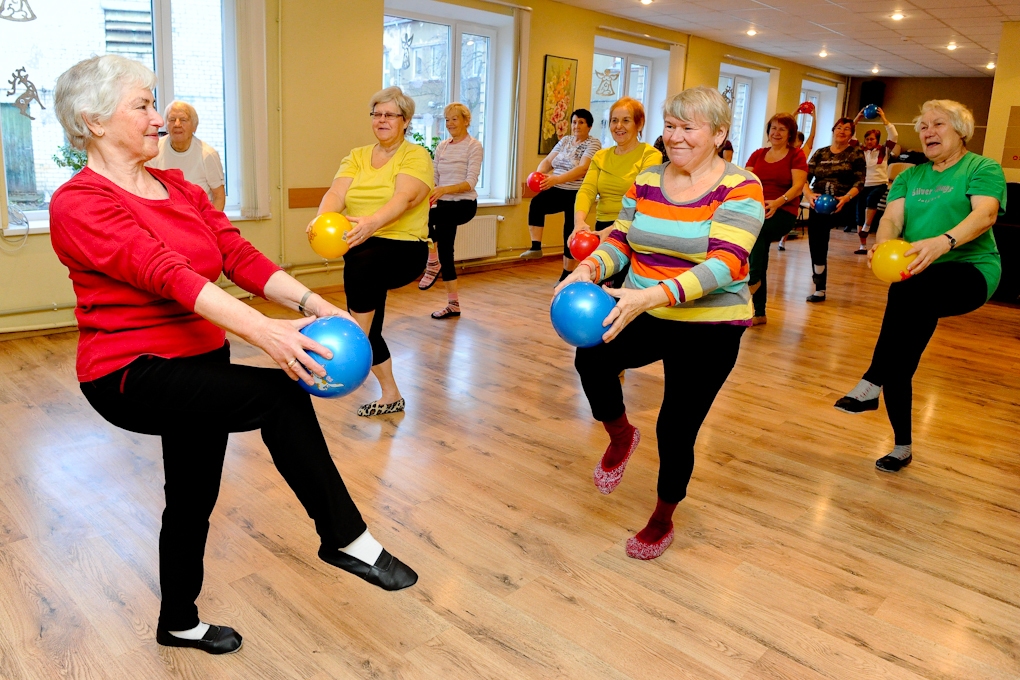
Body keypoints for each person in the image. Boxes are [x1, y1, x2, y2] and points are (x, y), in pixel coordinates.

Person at [49, 56, 417, 655]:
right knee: (277, 396)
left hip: (202, 363)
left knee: (192, 496)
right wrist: (267, 335)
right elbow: (164, 273)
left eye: (154, 103)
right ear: (93, 120)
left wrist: (313, 305)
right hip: (129, 373)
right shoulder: (79, 202)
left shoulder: (181, 188)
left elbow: (236, 255)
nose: (158, 118)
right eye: (142, 105)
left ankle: (179, 622)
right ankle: (344, 536)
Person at [557, 86, 764, 560]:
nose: (676, 137)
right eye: (670, 126)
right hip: (645, 304)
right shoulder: (647, 178)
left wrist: (648, 295)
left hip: (709, 323)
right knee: (592, 358)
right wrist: (588, 268)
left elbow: (725, 265)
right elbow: (622, 241)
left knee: (676, 427)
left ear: (719, 134)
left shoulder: (741, 187)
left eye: (689, 127)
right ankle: (621, 435)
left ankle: (662, 516)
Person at [833, 100, 1005, 472]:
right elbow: (893, 220)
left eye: (937, 124)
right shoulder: (910, 177)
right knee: (903, 354)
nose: (927, 131)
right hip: (917, 276)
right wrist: (885, 241)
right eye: (923, 125)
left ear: (961, 130)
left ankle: (871, 379)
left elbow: (985, 214)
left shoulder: (981, 167)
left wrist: (944, 241)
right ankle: (901, 446)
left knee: (909, 292)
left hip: (969, 271)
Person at [309, 86, 432, 416]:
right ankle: (390, 393)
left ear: (405, 121)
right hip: (363, 246)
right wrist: (322, 219)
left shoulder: (416, 155)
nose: (382, 120)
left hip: (405, 248)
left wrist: (371, 223)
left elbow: (405, 197)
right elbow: (336, 193)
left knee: (364, 264)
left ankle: (349, 344)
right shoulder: (357, 155)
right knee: (371, 318)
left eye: (390, 114)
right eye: (376, 114)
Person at [571, 96, 661, 260]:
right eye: (614, 120)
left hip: (633, 227)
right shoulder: (600, 156)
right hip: (603, 225)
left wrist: (616, 229)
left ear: (639, 124)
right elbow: (587, 191)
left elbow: (644, 199)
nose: (618, 126)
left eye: (626, 120)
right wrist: (579, 222)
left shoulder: (651, 155)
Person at [418, 102, 483, 319]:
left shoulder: (474, 146)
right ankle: (453, 303)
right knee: (446, 249)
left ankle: (432, 262)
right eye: (447, 120)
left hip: (464, 205)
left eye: (454, 119)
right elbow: (435, 177)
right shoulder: (443, 147)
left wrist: (445, 189)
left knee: (430, 221)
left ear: (466, 121)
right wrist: (429, 194)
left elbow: (470, 182)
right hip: (444, 204)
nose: (449, 124)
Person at [520, 109, 601, 281]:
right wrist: (539, 175)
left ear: (589, 126)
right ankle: (536, 246)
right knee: (537, 204)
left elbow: (583, 169)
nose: (576, 126)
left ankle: (567, 273)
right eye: (573, 122)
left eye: (581, 122)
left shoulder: (593, 144)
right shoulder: (565, 141)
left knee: (569, 232)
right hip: (557, 188)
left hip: (577, 192)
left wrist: (556, 179)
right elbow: (548, 161)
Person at [745, 113, 808, 325]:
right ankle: (759, 312)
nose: (776, 133)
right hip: (758, 210)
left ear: (790, 133)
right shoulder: (757, 154)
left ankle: (752, 280)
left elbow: (798, 186)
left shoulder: (796, 155)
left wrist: (777, 202)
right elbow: (746, 181)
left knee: (758, 234)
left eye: (782, 129)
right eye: (773, 128)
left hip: (783, 211)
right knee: (758, 249)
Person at [803, 118, 866, 302]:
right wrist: (808, 195)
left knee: (823, 235)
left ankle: (820, 285)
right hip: (818, 202)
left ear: (851, 134)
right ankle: (819, 287)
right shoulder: (821, 153)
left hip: (843, 203)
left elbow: (860, 182)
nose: (842, 131)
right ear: (833, 130)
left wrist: (846, 198)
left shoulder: (855, 153)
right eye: (839, 127)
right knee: (817, 242)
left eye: (847, 129)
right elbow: (804, 178)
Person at [146, 100, 225, 211]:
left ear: (194, 126)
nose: (177, 124)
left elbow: (219, 196)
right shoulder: (153, 150)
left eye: (183, 120)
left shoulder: (207, 155)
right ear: (166, 125)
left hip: (199, 220)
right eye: (172, 120)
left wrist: (210, 226)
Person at [852, 106, 899, 253]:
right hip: (863, 185)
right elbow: (850, 136)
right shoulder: (860, 150)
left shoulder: (883, 150)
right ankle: (862, 245)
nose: (869, 141)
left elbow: (894, 136)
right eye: (867, 139)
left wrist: (884, 119)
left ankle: (868, 225)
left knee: (871, 199)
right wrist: (857, 119)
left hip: (879, 184)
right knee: (859, 211)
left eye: (872, 139)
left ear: (877, 140)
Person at [778, 111, 816, 251]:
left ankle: (783, 240)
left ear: (800, 142)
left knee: (789, 213)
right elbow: (786, 124)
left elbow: (812, 135)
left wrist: (814, 117)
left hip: (795, 186)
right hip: (782, 185)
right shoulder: (783, 150)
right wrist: (794, 113)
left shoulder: (802, 152)